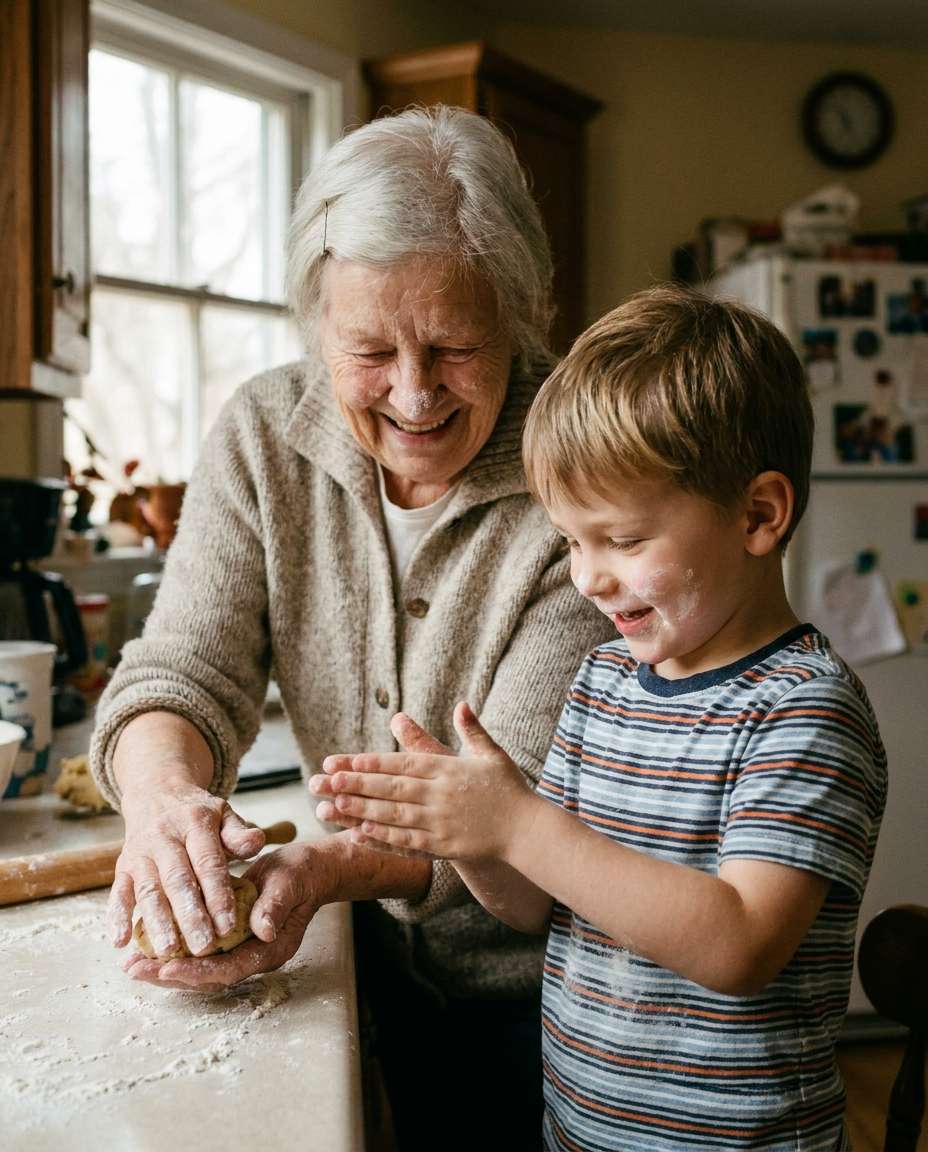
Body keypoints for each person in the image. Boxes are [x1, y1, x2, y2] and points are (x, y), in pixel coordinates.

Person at [89, 105, 613, 1148]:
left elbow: (505, 813)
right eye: (371, 348)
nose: (414, 393)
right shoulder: (262, 433)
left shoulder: (587, 462)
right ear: (314, 321)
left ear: (520, 311)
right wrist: (164, 803)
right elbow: (183, 667)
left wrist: (325, 867)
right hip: (360, 963)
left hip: (549, 994)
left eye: (455, 346)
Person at [315, 284, 888, 1151]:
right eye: (570, 542)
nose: (588, 577)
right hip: (581, 1132)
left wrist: (520, 824)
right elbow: (538, 907)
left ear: (759, 515)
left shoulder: (803, 711)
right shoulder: (604, 681)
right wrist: (474, 835)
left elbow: (738, 944)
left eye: (622, 541)